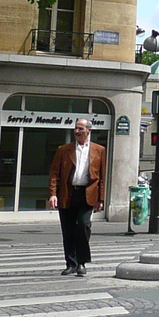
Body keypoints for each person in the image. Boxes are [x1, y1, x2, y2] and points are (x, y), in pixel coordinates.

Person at [48, 118, 106, 277]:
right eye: (76, 128)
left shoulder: (99, 150)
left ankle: (82, 262)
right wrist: (53, 194)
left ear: (89, 130)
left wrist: (101, 199)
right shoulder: (63, 150)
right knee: (68, 231)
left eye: (80, 128)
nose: (77, 131)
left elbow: (102, 177)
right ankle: (71, 264)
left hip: (87, 194)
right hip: (67, 193)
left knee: (83, 226)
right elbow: (54, 174)